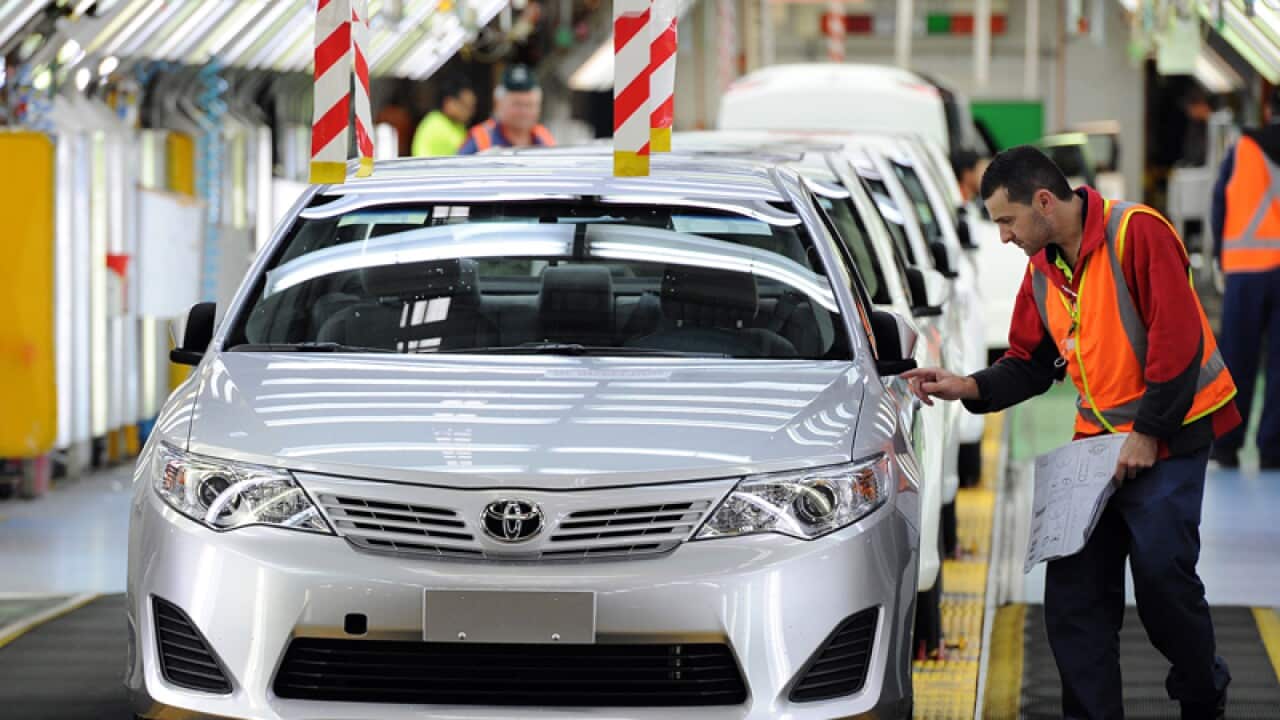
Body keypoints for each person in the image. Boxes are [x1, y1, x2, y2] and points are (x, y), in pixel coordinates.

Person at [904, 146, 1238, 720]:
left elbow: (1177, 344)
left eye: (1007, 221)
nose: (1004, 237)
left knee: (1162, 580)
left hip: (1171, 435)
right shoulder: (1043, 271)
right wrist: (969, 386)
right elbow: (1031, 363)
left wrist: (1147, 434)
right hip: (1096, 445)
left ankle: (1202, 692)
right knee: (1073, 596)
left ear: (1043, 202)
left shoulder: (1138, 234)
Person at [1209, 87, 1280, 470]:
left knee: (1238, 358)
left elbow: (1219, 203)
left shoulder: (1243, 149)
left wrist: (1221, 255)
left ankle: (1227, 445)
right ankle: (1274, 450)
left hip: (1246, 269)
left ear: (1268, 109)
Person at [457, 64, 556, 154]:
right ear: (498, 104)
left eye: (530, 105)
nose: (524, 112)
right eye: (517, 104)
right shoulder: (481, 139)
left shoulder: (544, 137)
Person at [411, 75, 477, 157]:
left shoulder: (457, 124)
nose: (471, 112)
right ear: (449, 103)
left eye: (472, 107)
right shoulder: (435, 124)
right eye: (466, 106)